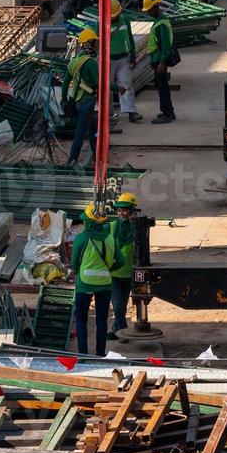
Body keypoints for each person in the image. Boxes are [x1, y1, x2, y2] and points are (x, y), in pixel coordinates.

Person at [70, 203, 117, 356]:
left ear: (89, 222)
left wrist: (78, 273)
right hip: (105, 285)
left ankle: (83, 355)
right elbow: (120, 261)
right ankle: (100, 354)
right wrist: (109, 270)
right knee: (102, 321)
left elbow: (75, 263)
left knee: (81, 320)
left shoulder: (81, 238)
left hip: (84, 284)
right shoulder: (110, 238)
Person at [66, 29, 102, 168]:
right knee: (80, 134)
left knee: (93, 129)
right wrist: (117, 88)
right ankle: (72, 159)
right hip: (87, 102)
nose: (96, 46)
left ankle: (97, 157)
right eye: (95, 43)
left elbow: (65, 84)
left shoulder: (74, 62)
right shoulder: (91, 63)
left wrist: (64, 99)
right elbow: (99, 83)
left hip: (78, 102)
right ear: (89, 44)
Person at [107, 193, 139, 339]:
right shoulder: (112, 227)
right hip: (113, 274)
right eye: (119, 210)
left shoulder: (136, 229)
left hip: (129, 273)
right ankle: (124, 331)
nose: (121, 213)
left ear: (132, 211)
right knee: (118, 304)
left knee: (123, 304)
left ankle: (115, 330)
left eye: (125, 210)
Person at [141, 0, 177, 124]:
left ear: (155, 7)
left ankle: (167, 113)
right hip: (156, 60)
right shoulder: (159, 21)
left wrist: (162, 63)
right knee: (162, 87)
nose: (149, 12)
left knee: (162, 88)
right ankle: (168, 111)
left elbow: (165, 45)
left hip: (160, 61)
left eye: (149, 9)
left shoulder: (161, 24)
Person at [109, 0, 141, 123]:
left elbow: (130, 38)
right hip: (108, 60)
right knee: (107, 88)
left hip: (123, 58)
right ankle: (108, 114)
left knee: (127, 85)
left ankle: (131, 112)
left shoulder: (124, 20)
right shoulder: (101, 22)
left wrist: (133, 56)